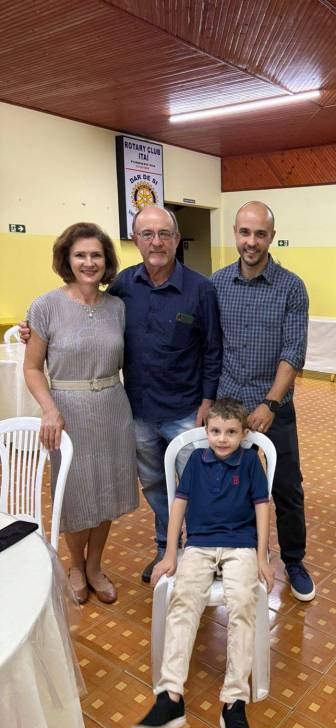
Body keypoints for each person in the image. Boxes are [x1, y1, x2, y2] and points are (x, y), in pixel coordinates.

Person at [131, 398, 274, 728]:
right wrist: (170, 553)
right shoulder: (196, 461)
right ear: (206, 431)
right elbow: (178, 505)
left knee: (243, 606)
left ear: (244, 434)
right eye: (215, 431)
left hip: (241, 547)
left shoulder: (251, 463)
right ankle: (171, 695)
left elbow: (262, 508)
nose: (222, 439)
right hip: (198, 545)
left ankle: (234, 703)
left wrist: (262, 556)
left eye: (231, 432)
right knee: (183, 601)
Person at [23, 222, 139, 604]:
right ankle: (75, 565)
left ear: (106, 261)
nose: (89, 262)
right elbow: (32, 367)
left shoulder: (117, 307)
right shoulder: (45, 306)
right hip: (67, 413)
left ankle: (95, 566)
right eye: (80, 255)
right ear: (67, 259)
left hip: (113, 408)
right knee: (74, 493)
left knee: (106, 491)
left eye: (96, 255)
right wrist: (49, 410)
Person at [108, 206, 222, 582]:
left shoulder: (200, 289)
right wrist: (35, 330)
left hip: (186, 411)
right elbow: (91, 318)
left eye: (164, 234)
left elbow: (213, 349)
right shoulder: (122, 285)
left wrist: (206, 402)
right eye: (147, 234)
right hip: (139, 411)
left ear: (176, 239)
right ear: (135, 240)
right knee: (156, 486)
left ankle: (202, 555)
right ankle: (167, 548)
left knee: (197, 486)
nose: (156, 242)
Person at [210, 201, 314, 601]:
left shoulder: (291, 287)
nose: (251, 241)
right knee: (226, 488)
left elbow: (293, 352)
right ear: (235, 234)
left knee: (286, 488)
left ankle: (294, 561)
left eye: (259, 234)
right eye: (244, 232)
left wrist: (270, 403)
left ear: (271, 236)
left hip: (274, 407)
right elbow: (207, 346)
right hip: (227, 410)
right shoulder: (217, 284)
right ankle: (230, 557)